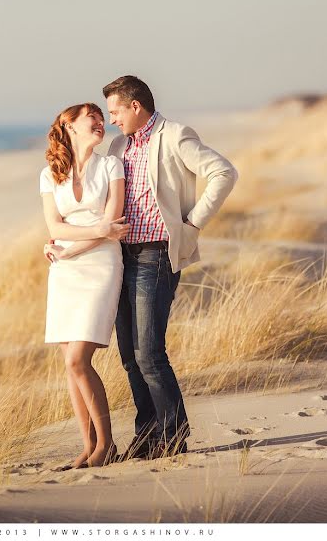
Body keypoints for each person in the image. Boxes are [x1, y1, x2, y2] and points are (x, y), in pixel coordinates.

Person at [103, 75, 238, 461]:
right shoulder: (118, 145)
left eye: (115, 112)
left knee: (149, 352)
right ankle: (147, 435)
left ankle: (174, 435)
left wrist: (192, 224)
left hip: (157, 256)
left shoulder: (175, 135)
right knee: (129, 355)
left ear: (135, 106)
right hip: (121, 258)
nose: (113, 120)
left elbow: (224, 173)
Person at [39, 102, 129, 469]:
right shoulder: (50, 175)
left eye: (100, 117)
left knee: (79, 359)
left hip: (100, 265)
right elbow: (55, 227)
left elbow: (114, 223)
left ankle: (106, 445)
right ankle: (88, 446)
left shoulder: (111, 165)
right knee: (69, 364)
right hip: (64, 270)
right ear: (69, 126)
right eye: (90, 117)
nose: (100, 122)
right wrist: (93, 234)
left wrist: (73, 248)